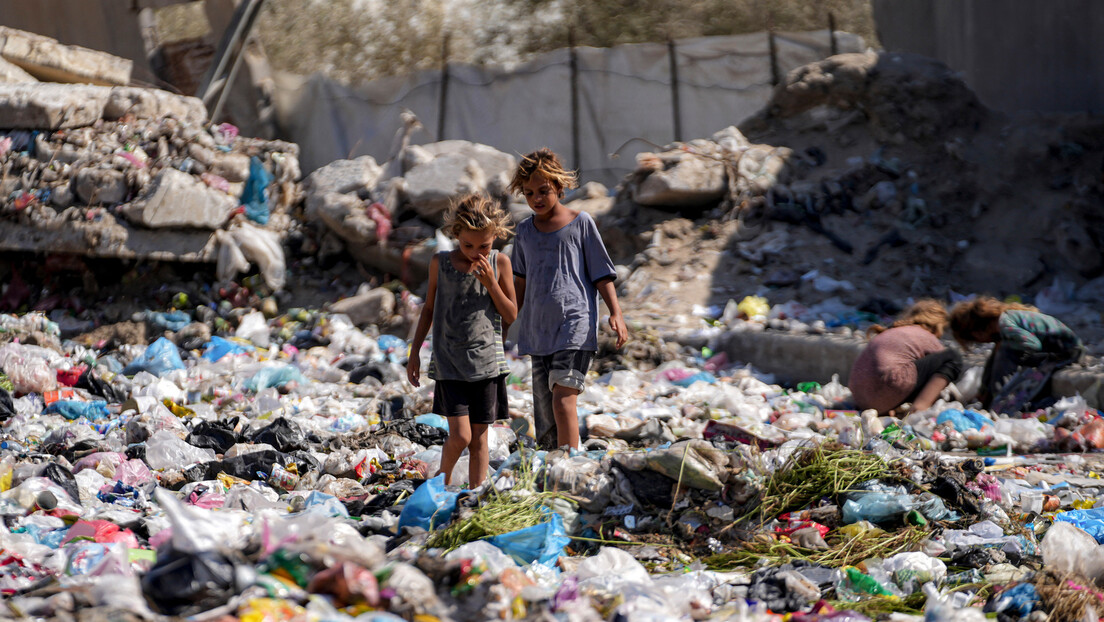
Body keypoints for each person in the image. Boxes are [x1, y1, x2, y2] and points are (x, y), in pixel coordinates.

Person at [509, 148, 628, 450]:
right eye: (529, 193)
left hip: (574, 325)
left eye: (544, 190)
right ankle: (553, 472)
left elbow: (602, 274)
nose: (536, 198)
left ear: (560, 188)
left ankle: (571, 465)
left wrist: (615, 313)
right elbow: (519, 281)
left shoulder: (581, 223)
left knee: (564, 401)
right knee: (546, 416)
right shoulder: (523, 232)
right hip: (538, 332)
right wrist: (506, 320)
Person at [407, 194, 517, 487]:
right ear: (455, 234)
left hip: (486, 365)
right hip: (449, 363)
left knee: (479, 438)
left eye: (484, 245)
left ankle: (474, 496)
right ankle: (439, 486)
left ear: (496, 236)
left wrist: (491, 283)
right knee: (461, 436)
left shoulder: (500, 263)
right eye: (468, 245)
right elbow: (429, 309)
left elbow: (511, 314)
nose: (475, 252)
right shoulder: (440, 263)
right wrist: (415, 352)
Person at [950, 297, 1083, 413]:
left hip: (1067, 350)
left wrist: (1013, 353)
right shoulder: (1004, 323)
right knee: (1000, 352)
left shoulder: (1005, 323)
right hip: (1057, 350)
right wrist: (984, 390)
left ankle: (997, 405)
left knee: (1005, 352)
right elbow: (992, 363)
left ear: (977, 332)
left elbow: (1033, 344)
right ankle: (990, 400)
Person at [849, 300, 962, 415]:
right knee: (953, 356)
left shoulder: (893, 331)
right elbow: (944, 367)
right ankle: (919, 408)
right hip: (885, 390)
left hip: (860, 399)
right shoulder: (924, 335)